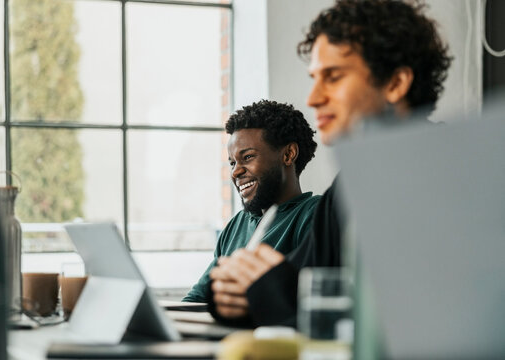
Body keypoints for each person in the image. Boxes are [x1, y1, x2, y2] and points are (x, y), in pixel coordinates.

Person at [208, 0, 452, 326]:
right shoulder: (351, 185)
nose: (313, 98)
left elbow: (412, 321)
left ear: (395, 84)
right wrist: (230, 293)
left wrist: (269, 290)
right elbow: (300, 282)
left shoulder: (455, 176)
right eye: (314, 78)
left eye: (333, 77)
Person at [183, 99, 321, 303]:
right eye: (232, 162)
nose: (236, 171)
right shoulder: (236, 225)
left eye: (247, 157)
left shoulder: (315, 215)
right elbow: (198, 300)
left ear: (288, 154)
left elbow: (307, 299)